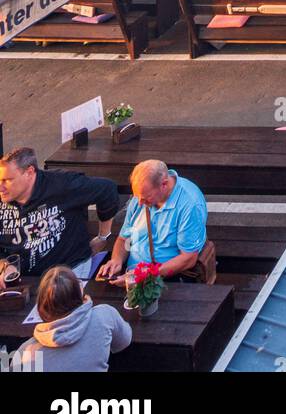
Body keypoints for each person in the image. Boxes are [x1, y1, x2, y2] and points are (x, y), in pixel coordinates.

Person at [0, 147, 118, 280]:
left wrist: (103, 236)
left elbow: (107, 189)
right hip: (19, 278)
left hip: (68, 272)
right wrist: (3, 264)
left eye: (7, 180)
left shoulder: (62, 185)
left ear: (29, 172)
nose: (1, 187)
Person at [97, 160, 207, 283]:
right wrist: (117, 260)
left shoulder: (189, 204)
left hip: (167, 279)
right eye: (137, 196)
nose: (139, 203)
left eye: (145, 198)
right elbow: (125, 239)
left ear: (164, 185)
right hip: (132, 275)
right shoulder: (141, 196)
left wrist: (144, 275)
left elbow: (188, 258)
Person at [16, 265, 131, 374]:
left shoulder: (24, 353)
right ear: (79, 294)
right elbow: (123, 342)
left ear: (41, 306)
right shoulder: (105, 315)